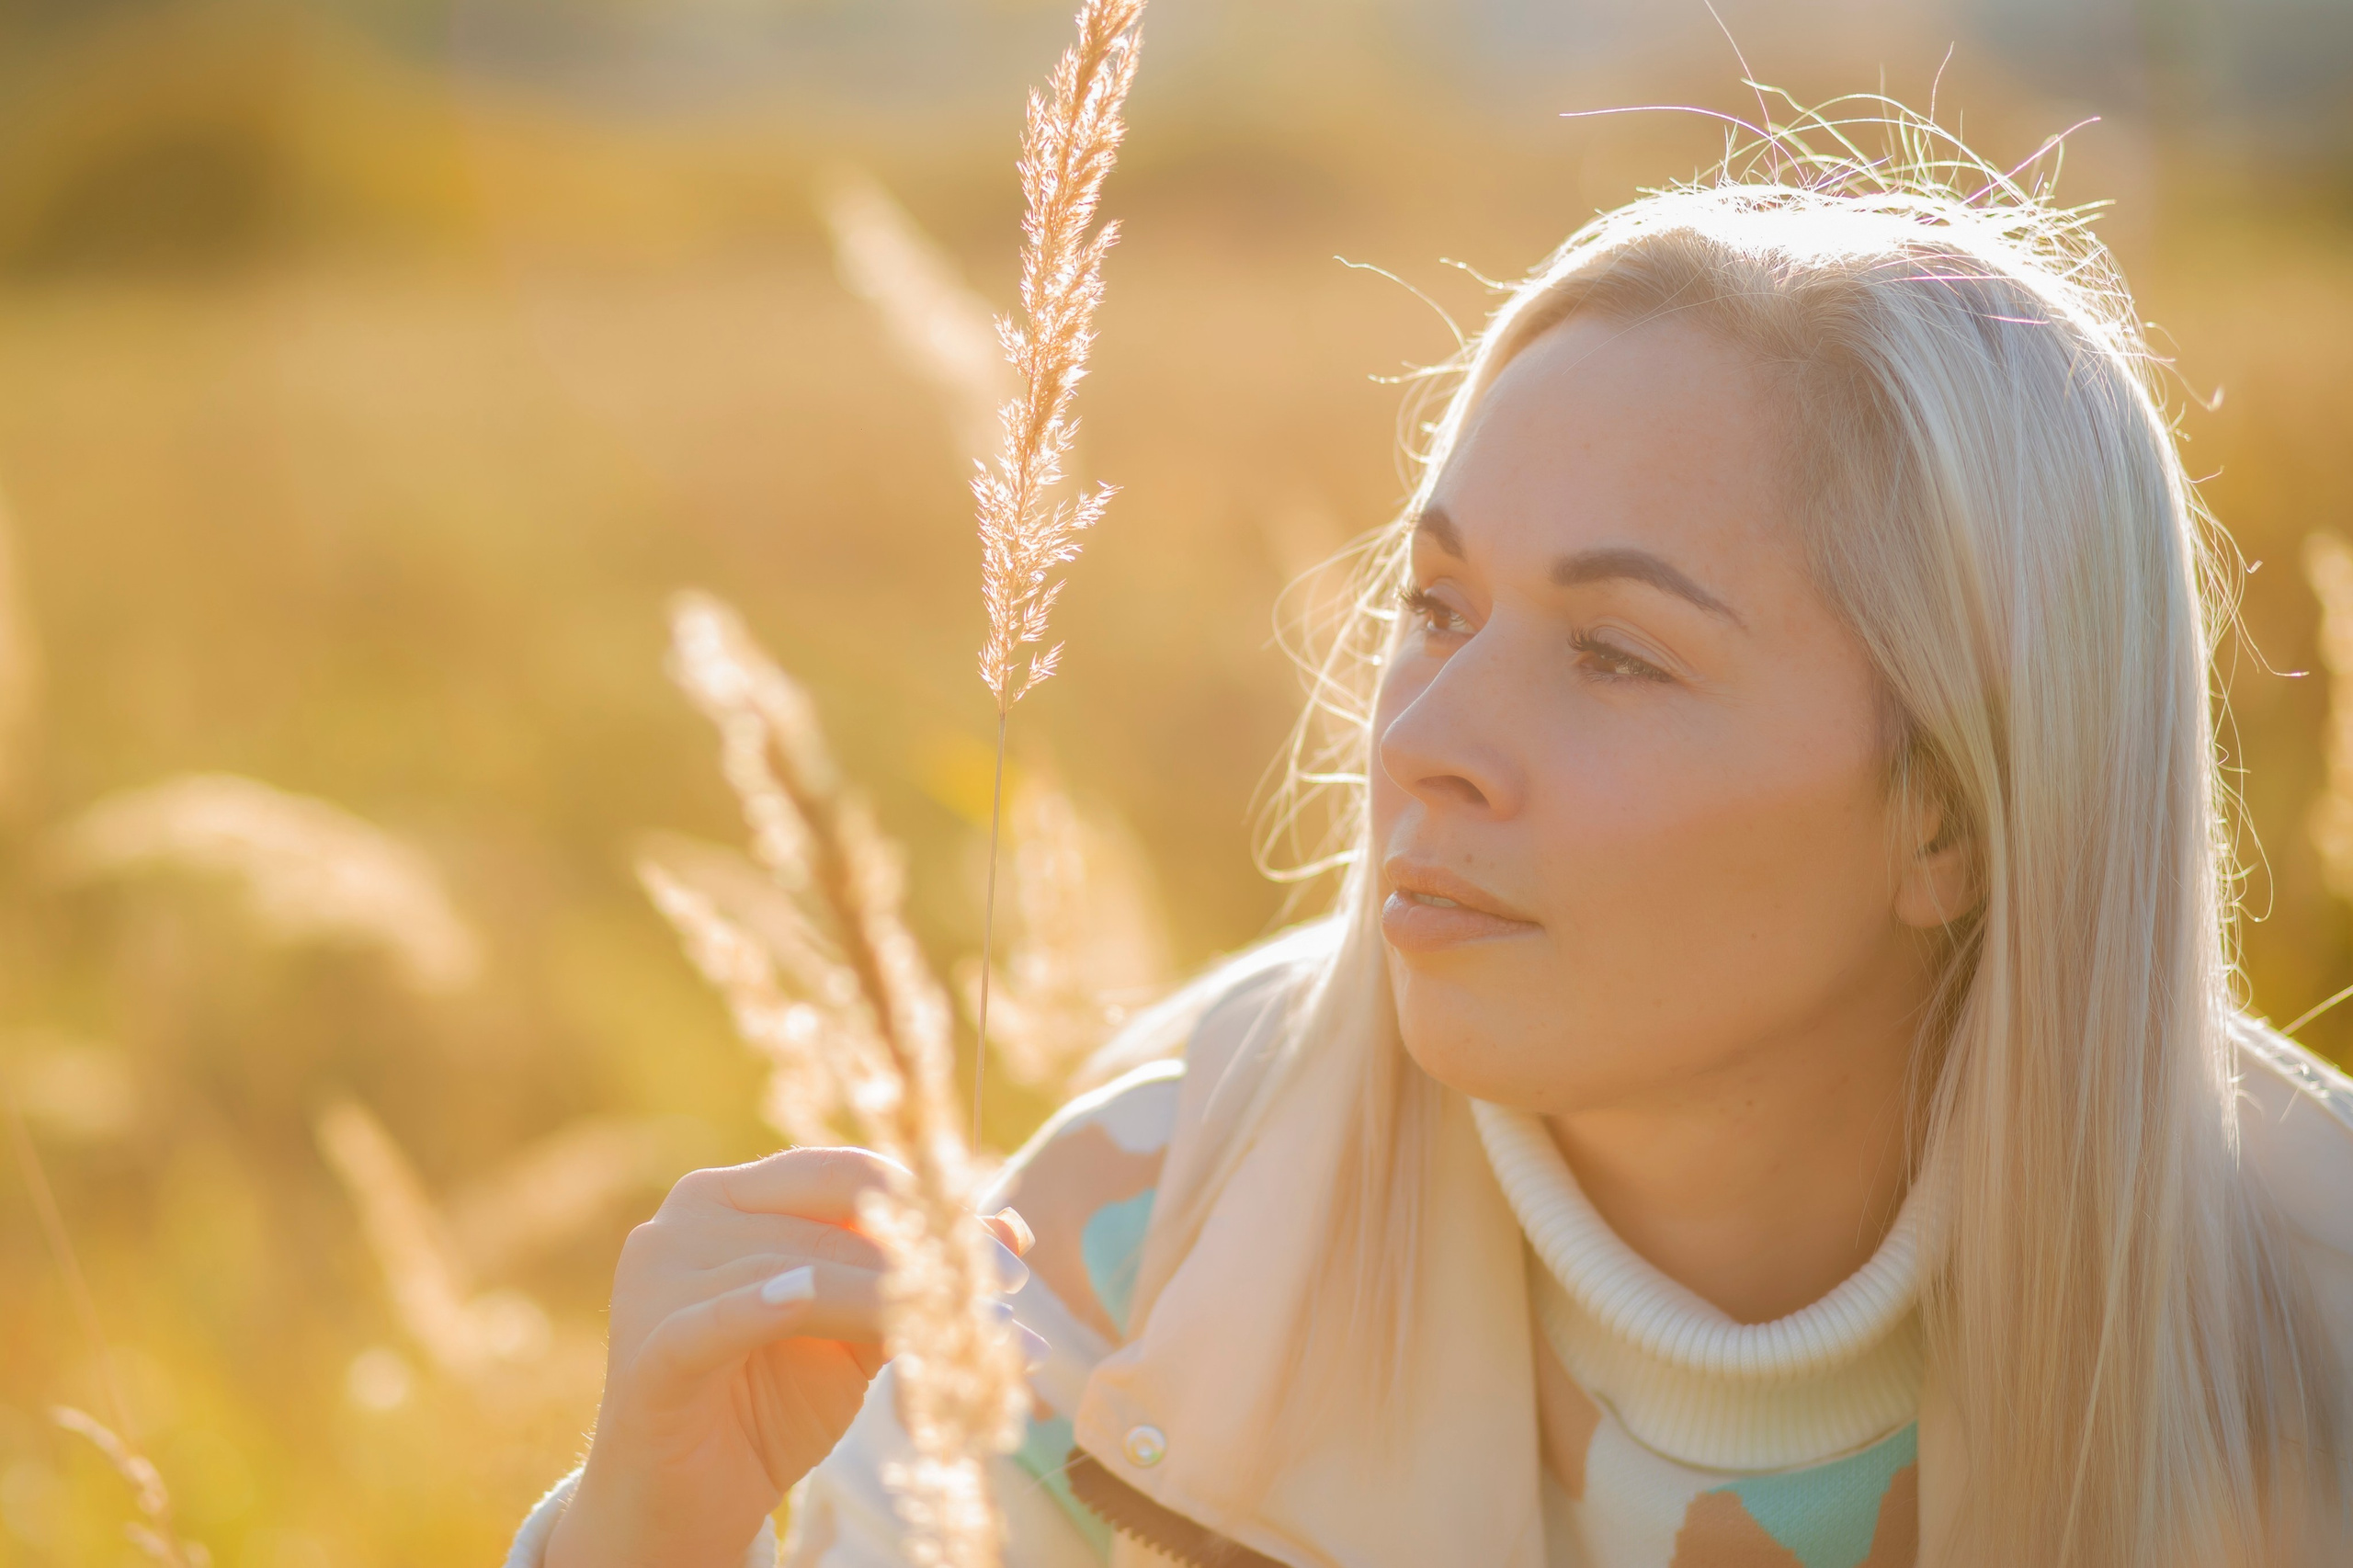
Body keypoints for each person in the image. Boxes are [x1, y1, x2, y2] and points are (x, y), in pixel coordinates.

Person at [517, 116, 2353, 1568]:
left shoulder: (2306, 1313)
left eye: (1615, 656)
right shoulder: (1142, 1241)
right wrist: (637, 1539)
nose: (1417, 745)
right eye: (1434, 607)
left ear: (1948, 812)